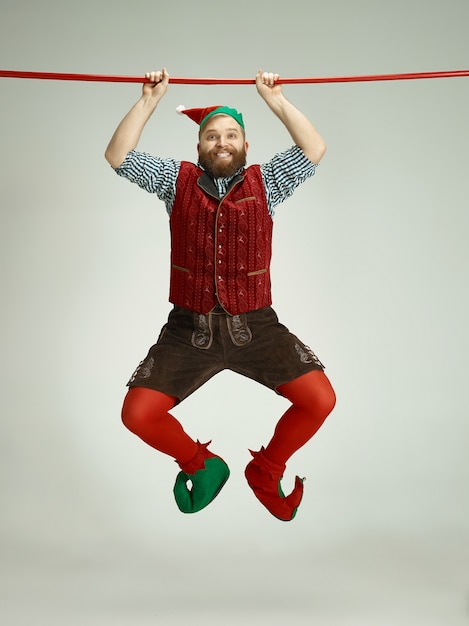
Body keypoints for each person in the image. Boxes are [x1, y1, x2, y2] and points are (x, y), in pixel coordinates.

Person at [105, 68, 336, 521]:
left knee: (320, 400)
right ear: (199, 147)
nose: (222, 142)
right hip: (189, 330)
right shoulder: (176, 181)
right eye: (212, 136)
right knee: (137, 413)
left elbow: (314, 149)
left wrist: (277, 101)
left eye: (232, 135)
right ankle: (201, 463)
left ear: (246, 146)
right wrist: (149, 100)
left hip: (256, 327)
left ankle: (267, 470)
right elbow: (118, 156)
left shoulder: (267, 183)